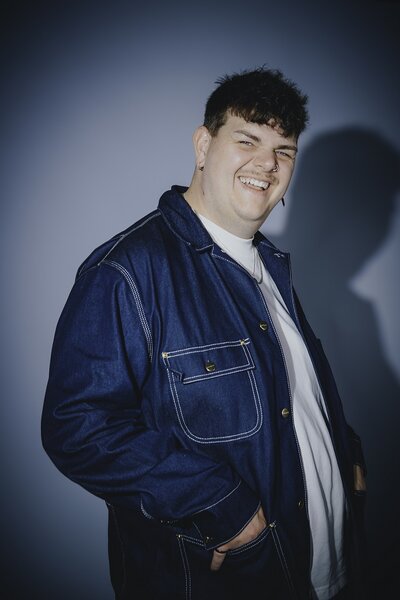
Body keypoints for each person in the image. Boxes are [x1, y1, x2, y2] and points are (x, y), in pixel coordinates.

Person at [42, 67, 367, 600]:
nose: (267, 164)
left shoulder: (270, 267)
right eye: (247, 140)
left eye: (284, 151)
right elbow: (76, 427)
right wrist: (219, 504)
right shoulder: (126, 272)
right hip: (234, 580)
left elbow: (292, 395)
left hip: (324, 571)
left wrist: (346, 453)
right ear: (203, 145)